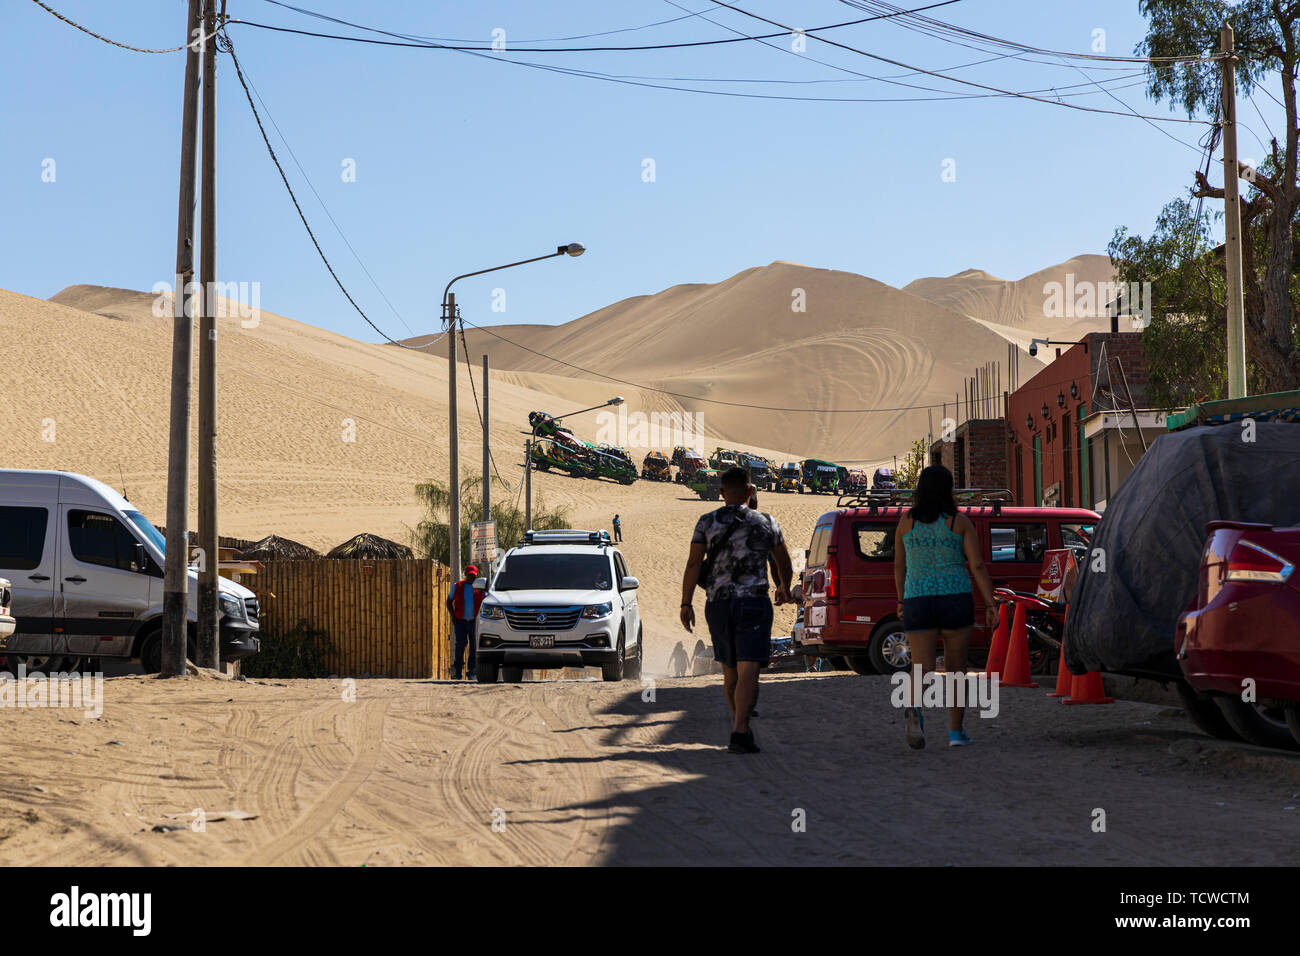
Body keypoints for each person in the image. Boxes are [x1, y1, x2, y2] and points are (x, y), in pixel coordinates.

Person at [680, 466, 793, 754]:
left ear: (721, 493)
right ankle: (740, 728)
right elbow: (783, 561)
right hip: (754, 602)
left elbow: (694, 564)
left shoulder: (706, 522)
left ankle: (739, 726)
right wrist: (783, 587)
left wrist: (686, 602)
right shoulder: (767, 522)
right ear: (750, 491)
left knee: (730, 675)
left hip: (718, 605)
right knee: (749, 670)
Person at [893, 465, 998, 749]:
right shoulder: (959, 522)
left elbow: (899, 566)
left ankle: (914, 708)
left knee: (923, 668)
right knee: (956, 669)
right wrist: (991, 604)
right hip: (955, 597)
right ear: (948, 489)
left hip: (918, 597)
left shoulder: (906, 522)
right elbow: (976, 565)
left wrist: (901, 599)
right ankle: (955, 733)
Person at [445, 564, 486, 680]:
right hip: (460, 622)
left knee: (474, 647)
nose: (471, 577)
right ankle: (458, 671)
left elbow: (486, 602)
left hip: (474, 622)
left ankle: (472, 671)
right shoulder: (457, 586)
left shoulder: (479, 588)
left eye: (473, 575)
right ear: (465, 575)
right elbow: (449, 601)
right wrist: (453, 616)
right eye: (469, 575)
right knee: (460, 646)